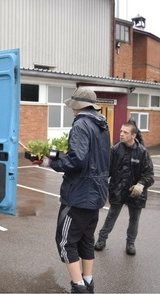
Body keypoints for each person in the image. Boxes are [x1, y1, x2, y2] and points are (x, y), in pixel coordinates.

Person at [50, 88, 110, 293]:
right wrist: (60, 155)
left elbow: (77, 160)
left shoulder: (81, 124)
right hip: (96, 194)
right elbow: (94, 157)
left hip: (79, 195)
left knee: (65, 242)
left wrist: (53, 162)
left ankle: (79, 287)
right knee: (86, 239)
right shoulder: (102, 125)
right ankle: (88, 282)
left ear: (78, 106)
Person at [94, 122, 154, 255]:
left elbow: (149, 174)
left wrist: (141, 184)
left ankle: (130, 243)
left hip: (135, 193)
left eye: (125, 132)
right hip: (118, 190)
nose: (121, 134)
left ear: (133, 135)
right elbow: (107, 169)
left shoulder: (142, 152)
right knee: (112, 215)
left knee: (134, 218)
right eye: (121, 131)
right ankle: (101, 239)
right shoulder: (116, 150)